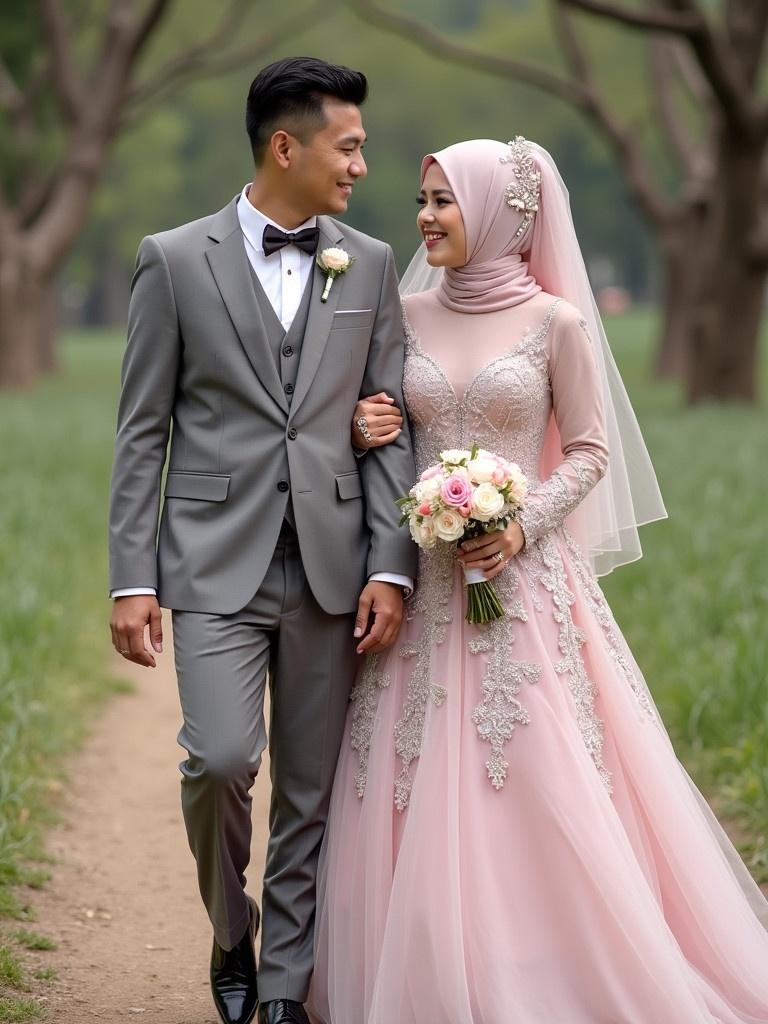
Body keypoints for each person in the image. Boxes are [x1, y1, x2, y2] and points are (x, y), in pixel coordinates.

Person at [307, 138, 768, 1023]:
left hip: (523, 582)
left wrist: (519, 525)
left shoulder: (557, 323)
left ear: (502, 215)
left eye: (446, 201)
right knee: (409, 775)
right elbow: (382, 425)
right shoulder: (400, 312)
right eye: (423, 199)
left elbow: (592, 449)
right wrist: (366, 431)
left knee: (535, 773)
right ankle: (426, 971)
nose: (427, 218)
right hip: (423, 577)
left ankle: (546, 971)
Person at [108, 57, 416, 1024]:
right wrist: (130, 577)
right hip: (211, 561)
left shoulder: (366, 263)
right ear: (287, 146)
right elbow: (141, 429)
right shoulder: (173, 258)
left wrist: (387, 563)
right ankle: (230, 927)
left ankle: (282, 989)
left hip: (331, 565)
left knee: (312, 792)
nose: (362, 165)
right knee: (222, 759)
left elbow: (393, 418)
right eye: (349, 145)